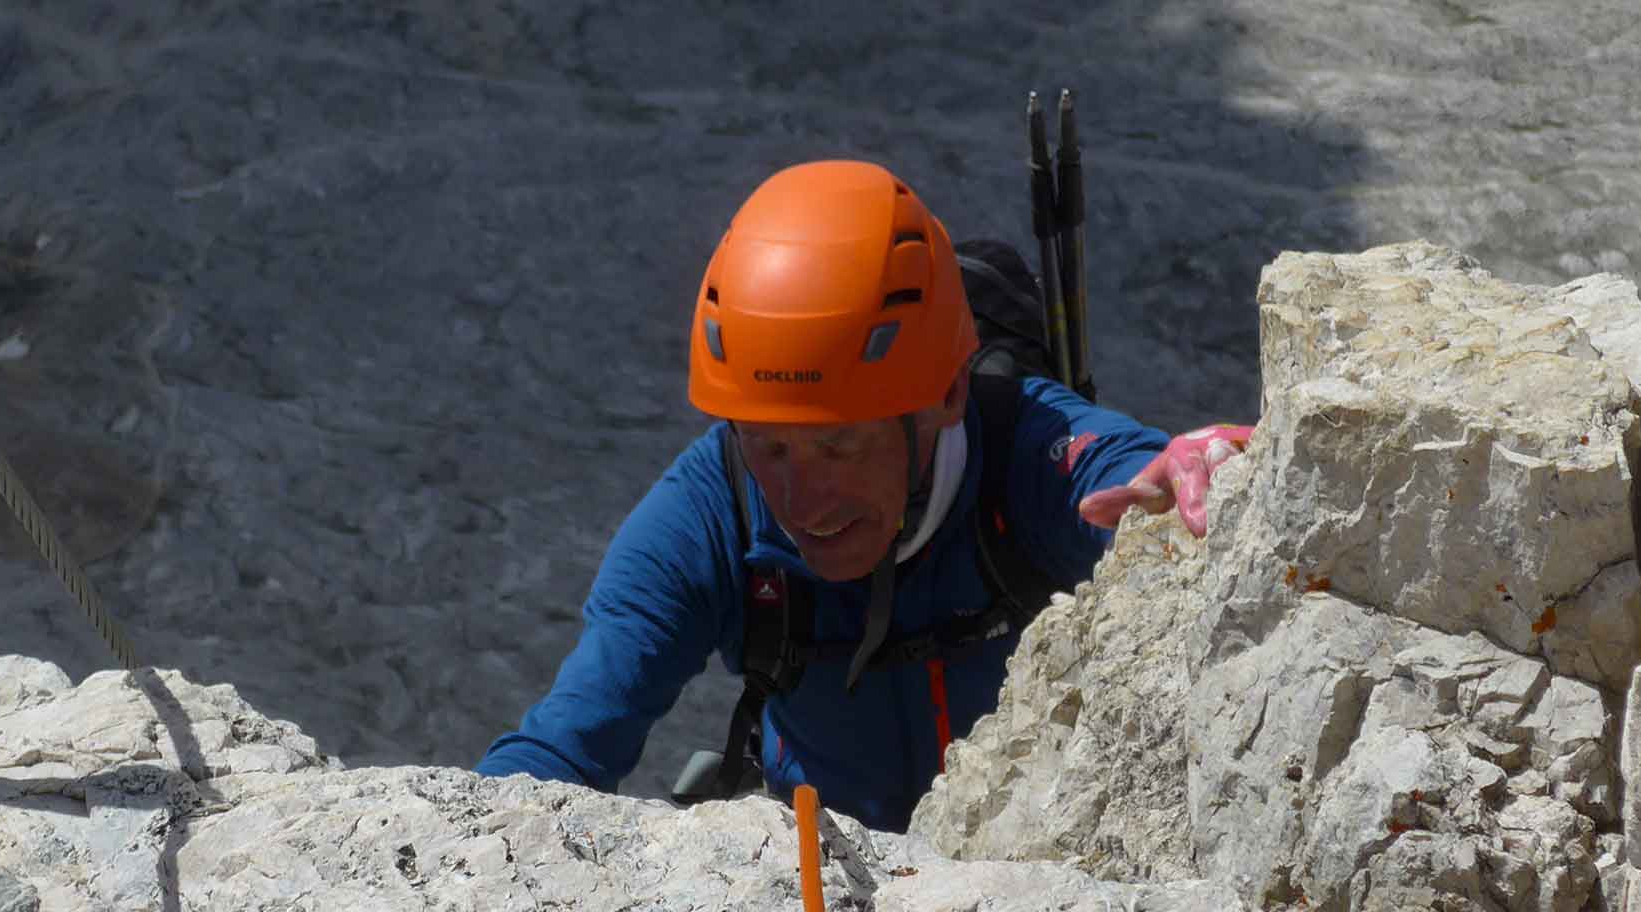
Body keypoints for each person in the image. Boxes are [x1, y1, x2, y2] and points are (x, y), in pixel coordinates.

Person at [472, 159, 1252, 832]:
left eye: (840, 443)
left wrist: (1187, 466)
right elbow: (562, 743)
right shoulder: (711, 511)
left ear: (947, 395)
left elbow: (1120, 467)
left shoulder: (1022, 449)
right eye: (769, 444)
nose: (801, 498)